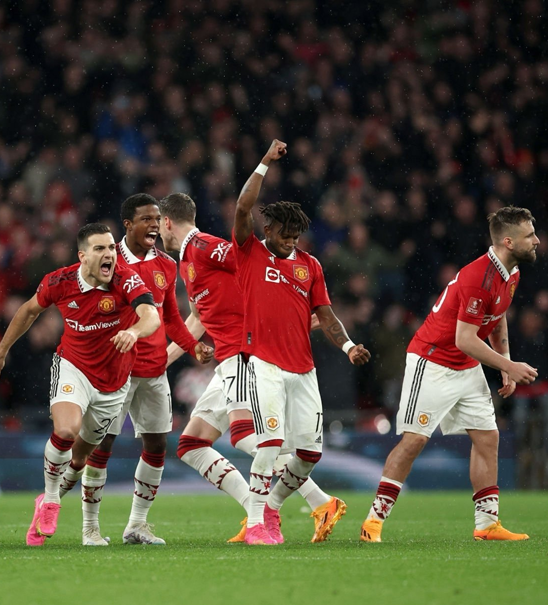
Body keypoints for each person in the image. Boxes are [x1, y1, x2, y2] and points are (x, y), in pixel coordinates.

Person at [158, 191, 348, 544]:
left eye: (158, 226)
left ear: (166, 222)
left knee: (250, 437)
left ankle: (271, 513)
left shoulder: (204, 246)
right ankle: (306, 503)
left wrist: (290, 317)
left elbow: (258, 263)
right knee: (191, 444)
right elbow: (198, 318)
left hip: (247, 356)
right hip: (227, 360)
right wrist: (162, 360)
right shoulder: (187, 262)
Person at [360, 206, 538, 543]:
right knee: (414, 440)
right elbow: (464, 338)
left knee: (488, 437)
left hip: (466, 365)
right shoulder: (479, 277)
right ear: (508, 241)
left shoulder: (510, 273)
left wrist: (505, 360)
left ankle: (486, 525)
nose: (537, 240)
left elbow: (497, 315)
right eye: (530, 235)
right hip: (433, 361)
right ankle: (373, 522)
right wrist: (508, 366)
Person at [0, 223, 161, 546]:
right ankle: (52, 500)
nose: (109, 254)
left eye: (111, 248)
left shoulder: (125, 279)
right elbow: (28, 311)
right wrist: (1, 352)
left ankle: (55, 511)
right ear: (82, 256)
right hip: (73, 368)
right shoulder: (60, 281)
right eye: (100, 248)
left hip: (113, 382)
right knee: (66, 431)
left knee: (80, 460)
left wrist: (134, 331)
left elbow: (151, 315)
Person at [232, 139, 370, 545]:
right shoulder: (250, 252)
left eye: (296, 236)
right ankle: (255, 523)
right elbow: (242, 208)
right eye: (285, 235)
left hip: (303, 369)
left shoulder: (310, 266)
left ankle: (271, 507)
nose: (291, 241)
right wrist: (264, 161)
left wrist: (348, 346)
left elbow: (325, 316)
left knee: (309, 454)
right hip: (263, 363)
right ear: (268, 229)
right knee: (271, 443)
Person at [57, 194, 213, 545]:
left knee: (157, 445)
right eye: (146, 219)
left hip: (154, 371)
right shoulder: (108, 261)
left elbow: (171, 317)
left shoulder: (167, 265)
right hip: (117, 371)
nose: (154, 225)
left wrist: (192, 346)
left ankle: (137, 525)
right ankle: (90, 528)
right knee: (102, 447)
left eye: (157, 219)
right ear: (128, 224)